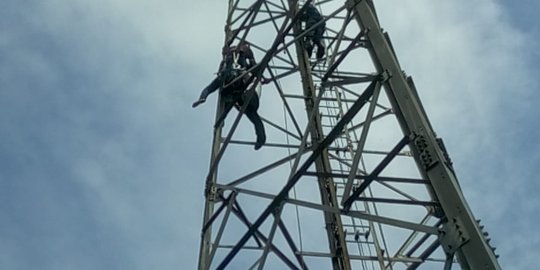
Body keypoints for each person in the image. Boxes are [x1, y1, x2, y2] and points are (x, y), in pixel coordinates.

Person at [192, 42, 266, 150]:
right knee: (251, 114)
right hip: (239, 91)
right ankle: (260, 138)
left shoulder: (237, 67)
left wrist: (202, 98)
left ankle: (260, 138)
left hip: (243, 91)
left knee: (249, 111)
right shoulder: (230, 70)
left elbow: (209, 88)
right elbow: (210, 88)